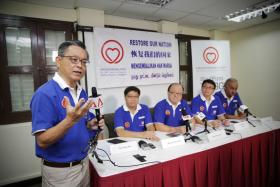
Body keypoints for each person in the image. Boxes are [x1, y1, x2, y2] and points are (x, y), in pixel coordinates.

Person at [30, 40, 105, 187]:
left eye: (83, 62)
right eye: (74, 60)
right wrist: (70, 120)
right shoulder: (44, 94)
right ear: (58, 61)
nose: (79, 65)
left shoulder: (82, 92)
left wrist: (90, 125)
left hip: (84, 163)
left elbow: (81, 124)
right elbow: (42, 141)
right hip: (61, 172)